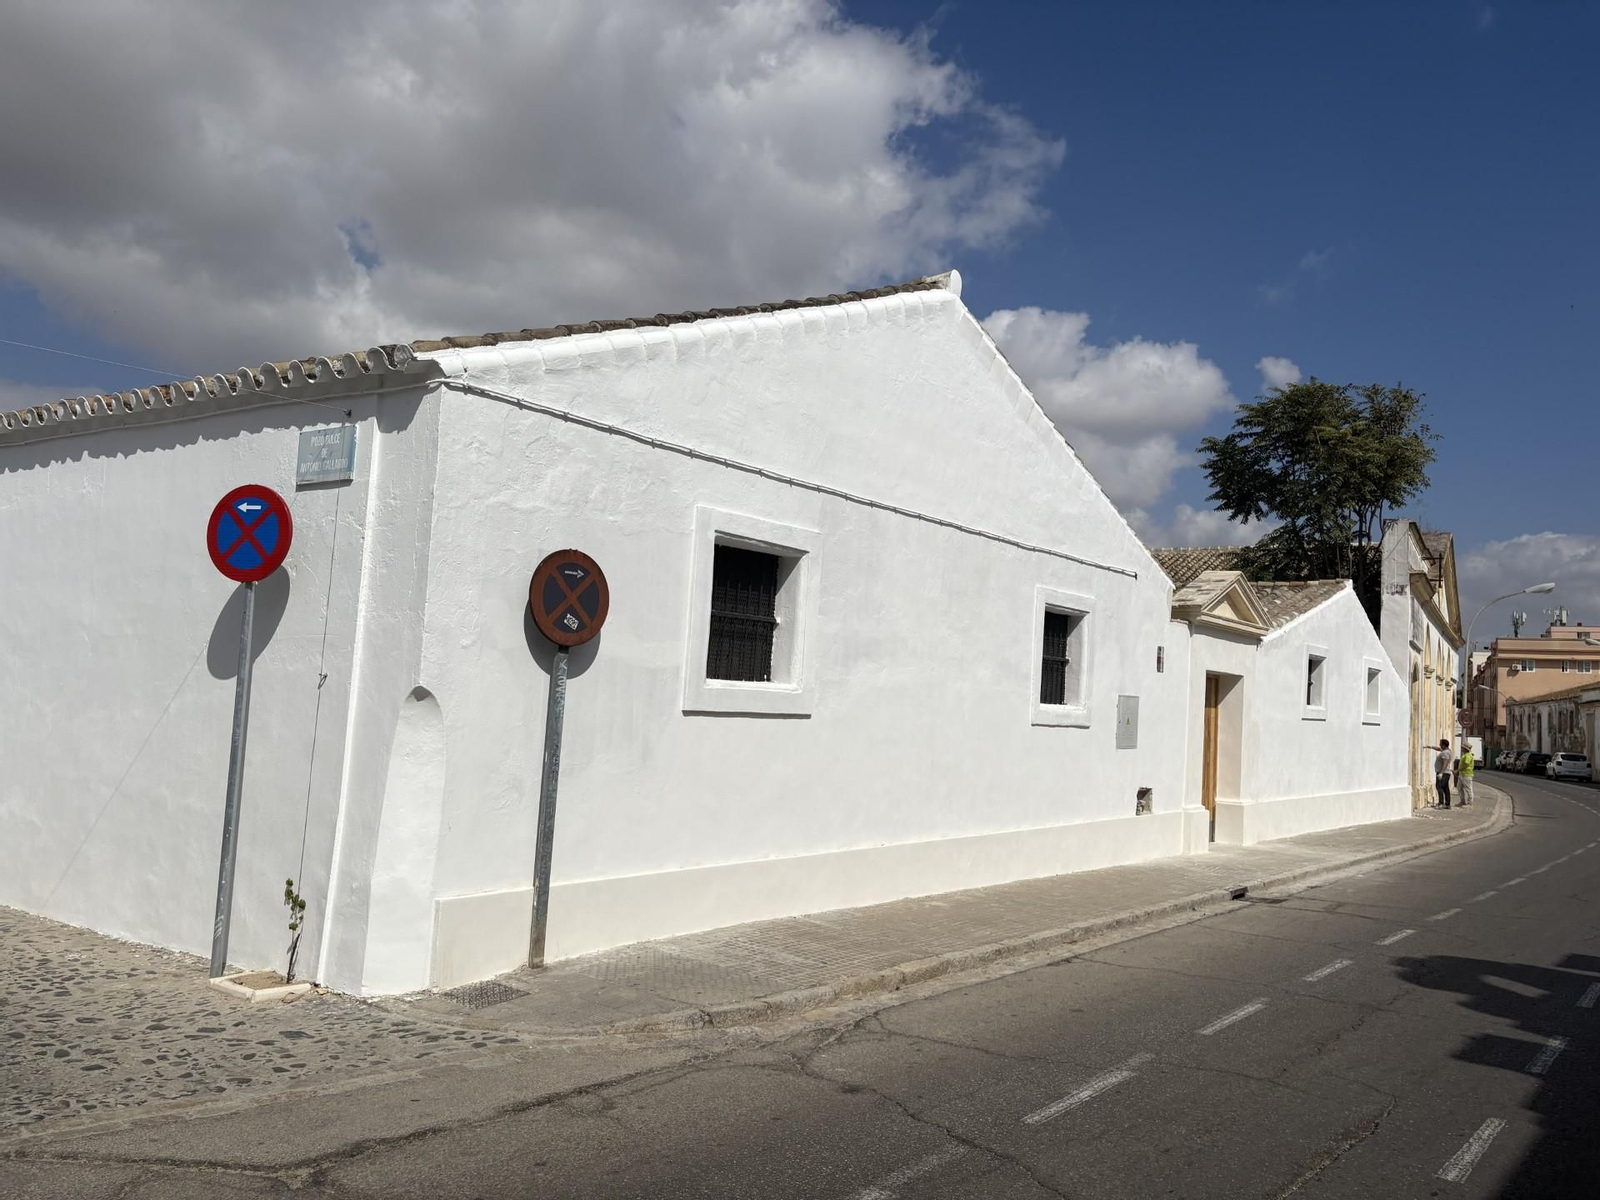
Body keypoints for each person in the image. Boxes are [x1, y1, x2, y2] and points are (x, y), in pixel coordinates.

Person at [1434, 739, 1453, 809]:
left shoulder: (1445, 753)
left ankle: (1441, 803)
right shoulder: (1447, 751)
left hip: (1443, 772)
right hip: (1446, 773)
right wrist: (1430, 747)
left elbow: (1445, 763)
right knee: (1445, 788)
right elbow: (1439, 749)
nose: (1439, 745)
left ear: (1444, 745)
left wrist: (1441, 773)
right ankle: (1447, 804)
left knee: (1439, 787)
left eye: (1441, 744)